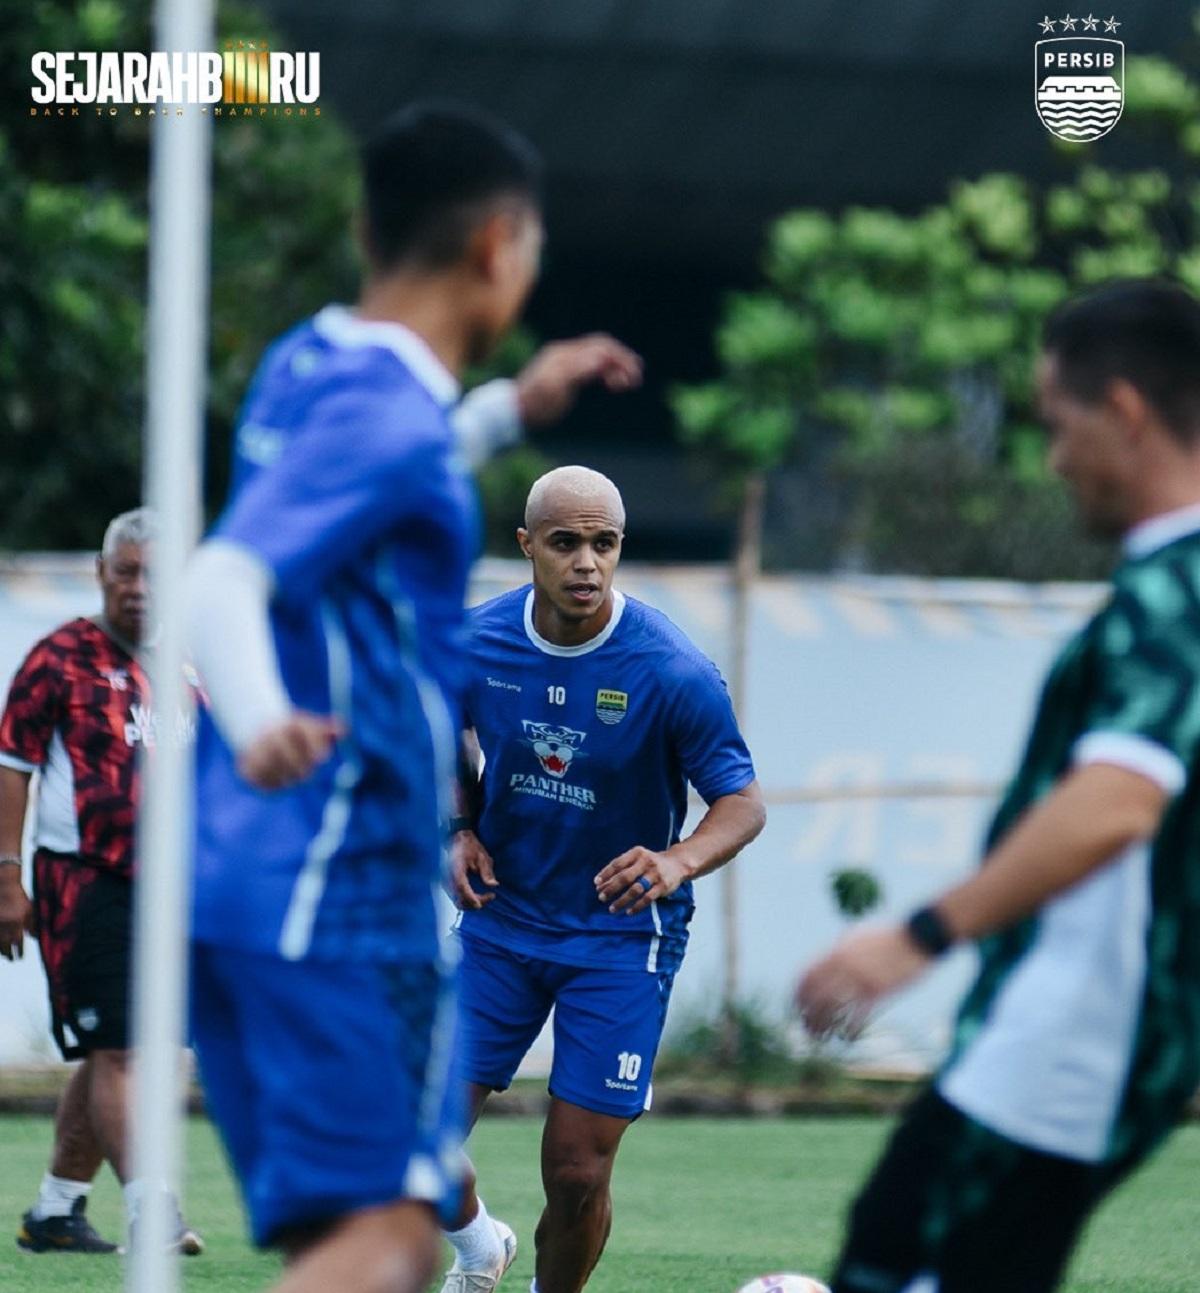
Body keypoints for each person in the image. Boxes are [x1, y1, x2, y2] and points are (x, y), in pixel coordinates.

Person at [185, 102, 640, 1293]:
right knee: (385, 1243)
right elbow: (223, 575)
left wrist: (507, 411)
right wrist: (254, 719)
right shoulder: (384, 412)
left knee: (367, 1232)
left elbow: (379, 467)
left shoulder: (310, 361)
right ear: (500, 247)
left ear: (362, 225)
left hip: (247, 870)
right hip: (330, 873)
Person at [797, 277, 1200, 1293]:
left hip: (1083, 1033)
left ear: (1124, 413)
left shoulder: (1173, 590)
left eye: (1058, 426)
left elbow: (1118, 800)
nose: (1055, 460)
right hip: (1088, 1027)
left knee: (890, 1255)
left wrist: (914, 938)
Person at [443, 464, 766, 1293]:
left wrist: (676, 859)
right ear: (527, 547)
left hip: (620, 938)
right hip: (502, 922)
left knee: (578, 1172)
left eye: (604, 543)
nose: (586, 562)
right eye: (565, 542)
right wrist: (456, 826)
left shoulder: (671, 668)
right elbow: (434, 731)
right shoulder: (474, 641)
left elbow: (741, 802)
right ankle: (481, 1247)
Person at [0, 507, 201, 1256]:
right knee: (122, 1050)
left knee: (123, 1047)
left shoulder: (186, 661)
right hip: (85, 881)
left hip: (172, 886)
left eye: (157, 574)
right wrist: (5, 877)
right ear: (102, 574)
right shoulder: (58, 657)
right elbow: (11, 769)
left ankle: (55, 1209)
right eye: (127, 573)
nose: (141, 589)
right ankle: (153, 1208)